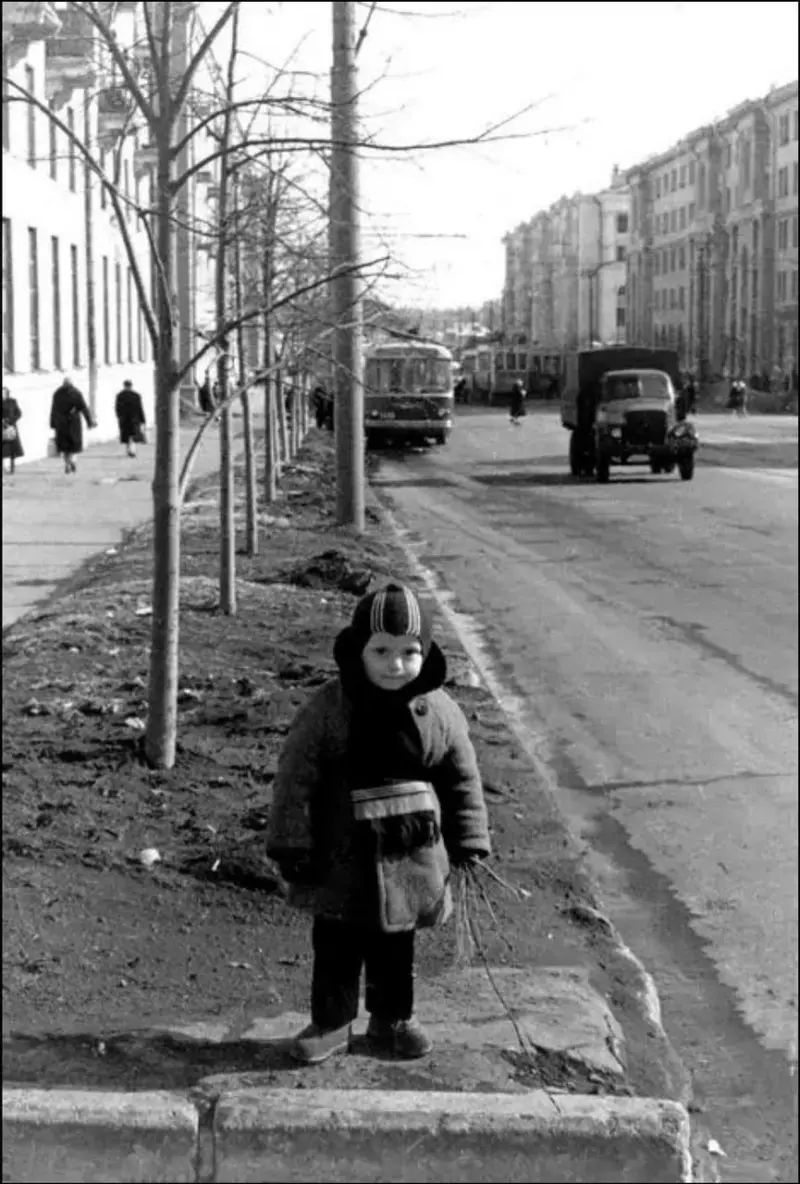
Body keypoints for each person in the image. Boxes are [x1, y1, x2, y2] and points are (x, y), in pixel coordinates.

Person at [267, 581, 491, 1066]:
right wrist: (290, 841)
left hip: (408, 853)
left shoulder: (440, 712)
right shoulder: (329, 709)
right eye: (382, 650)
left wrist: (469, 837)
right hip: (340, 854)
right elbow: (295, 775)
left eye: (409, 652)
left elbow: (461, 776)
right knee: (337, 946)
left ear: (426, 652)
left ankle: (392, 1018)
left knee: (396, 946)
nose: (396, 664)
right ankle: (331, 1022)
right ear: (358, 650)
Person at [49, 376, 94, 474]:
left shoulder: (57, 394)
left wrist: (52, 423)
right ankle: (73, 461)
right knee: (74, 446)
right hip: (73, 423)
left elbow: (53, 409)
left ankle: (67, 464)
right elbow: (83, 408)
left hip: (61, 423)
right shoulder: (76, 393)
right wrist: (89, 422)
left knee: (64, 447)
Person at [114, 380, 147, 458]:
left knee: (127, 435)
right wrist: (143, 419)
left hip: (124, 418)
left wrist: (119, 417)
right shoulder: (136, 395)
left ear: (124, 386)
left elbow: (117, 408)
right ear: (131, 386)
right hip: (134, 418)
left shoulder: (120, 395)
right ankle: (132, 450)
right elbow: (140, 408)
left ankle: (129, 450)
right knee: (133, 435)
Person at [2, 386, 24, 477]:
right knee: (4, 449)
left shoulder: (12, 401)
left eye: (4, 392)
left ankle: (12, 467)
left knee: (12, 449)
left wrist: (12, 420)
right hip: (2, 427)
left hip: (12, 428)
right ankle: (4, 467)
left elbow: (19, 413)